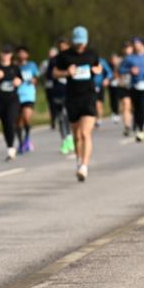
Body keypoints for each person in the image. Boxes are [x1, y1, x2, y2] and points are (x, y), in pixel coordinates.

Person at [53, 26, 102, 181]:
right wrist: (67, 72)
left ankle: (84, 166)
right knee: (76, 136)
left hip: (89, 97)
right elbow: (54, 73)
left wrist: (97, 70)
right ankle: (79, 160)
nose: (80, 46)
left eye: (82, 43)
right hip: (72, 98)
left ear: (86, 41)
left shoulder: (92, 53)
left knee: (85, 133)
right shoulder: (64, 56)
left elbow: (98, 67)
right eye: (78, 43)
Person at [118, 37, 144, 142]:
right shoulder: (129, 58)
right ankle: (136, 125)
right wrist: (130, 70)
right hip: (133, 86)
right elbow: (121, 70)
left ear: (141, 45)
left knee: (142, 106)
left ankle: (141, 129)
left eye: (138, 43)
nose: (136, 46)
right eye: (134, 44)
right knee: (136, 108)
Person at [0, 44, 23, 161]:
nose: (5, 55)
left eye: (7, 53)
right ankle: (10, 147)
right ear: (0, 54)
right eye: (3, 53)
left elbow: (21, 80)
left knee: (10, 121)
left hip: (13, 100)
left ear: (11, 55)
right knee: (5, 124)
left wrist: (18, 82)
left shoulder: (15, 68)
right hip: (0, 100)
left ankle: (12, 148)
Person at [45, 39, 73, 153]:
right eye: (61, 48)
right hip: (58, 91)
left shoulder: (74, 59)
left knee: (69, 116)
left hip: (72, 91)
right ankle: (65, 140)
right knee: (60, 117)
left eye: (65, 47)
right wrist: (61, 74)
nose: (63, 50)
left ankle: (71, 137)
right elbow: (48, 75)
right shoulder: (54, 60)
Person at [15, 46, 39, 153]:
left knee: (26, 116)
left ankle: (27, 139)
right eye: (19, 53)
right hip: (17, 95)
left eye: (23, 52)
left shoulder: (31, 65)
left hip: (28, 95)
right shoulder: (15, 66)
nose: (21, 55)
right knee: (18, 121)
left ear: (27, 55)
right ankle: (20, 143)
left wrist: (34, 80)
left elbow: (36, 77)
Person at [40, 46, 58, 129]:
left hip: (58, 86)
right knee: (51, 104)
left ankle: (59, 117)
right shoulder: (45, 63)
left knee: (58, 103)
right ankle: (53, 120)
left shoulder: (59, 62)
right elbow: (41, 73)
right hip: (49, 85)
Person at [93, 54, 113, 125]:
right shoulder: (85, 60)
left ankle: (99, 118)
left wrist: (106, 79)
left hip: (99, 85)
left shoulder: (101, 61)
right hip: (88, 86)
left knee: (98, 103)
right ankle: (92, 118)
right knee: (91, 103)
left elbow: (110, 73)